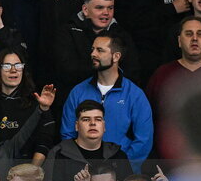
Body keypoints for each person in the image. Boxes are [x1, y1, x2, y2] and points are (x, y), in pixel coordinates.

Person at [60, 32, 153, 169]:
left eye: (100, 50)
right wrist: (79, 165)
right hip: (82, 172)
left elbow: (144, 140)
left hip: (121, 172)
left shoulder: (134, 94)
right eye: (92, 49)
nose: (93, 54)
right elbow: (67, 134)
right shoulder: (78, 92)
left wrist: (123, 167)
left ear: (116, 56)